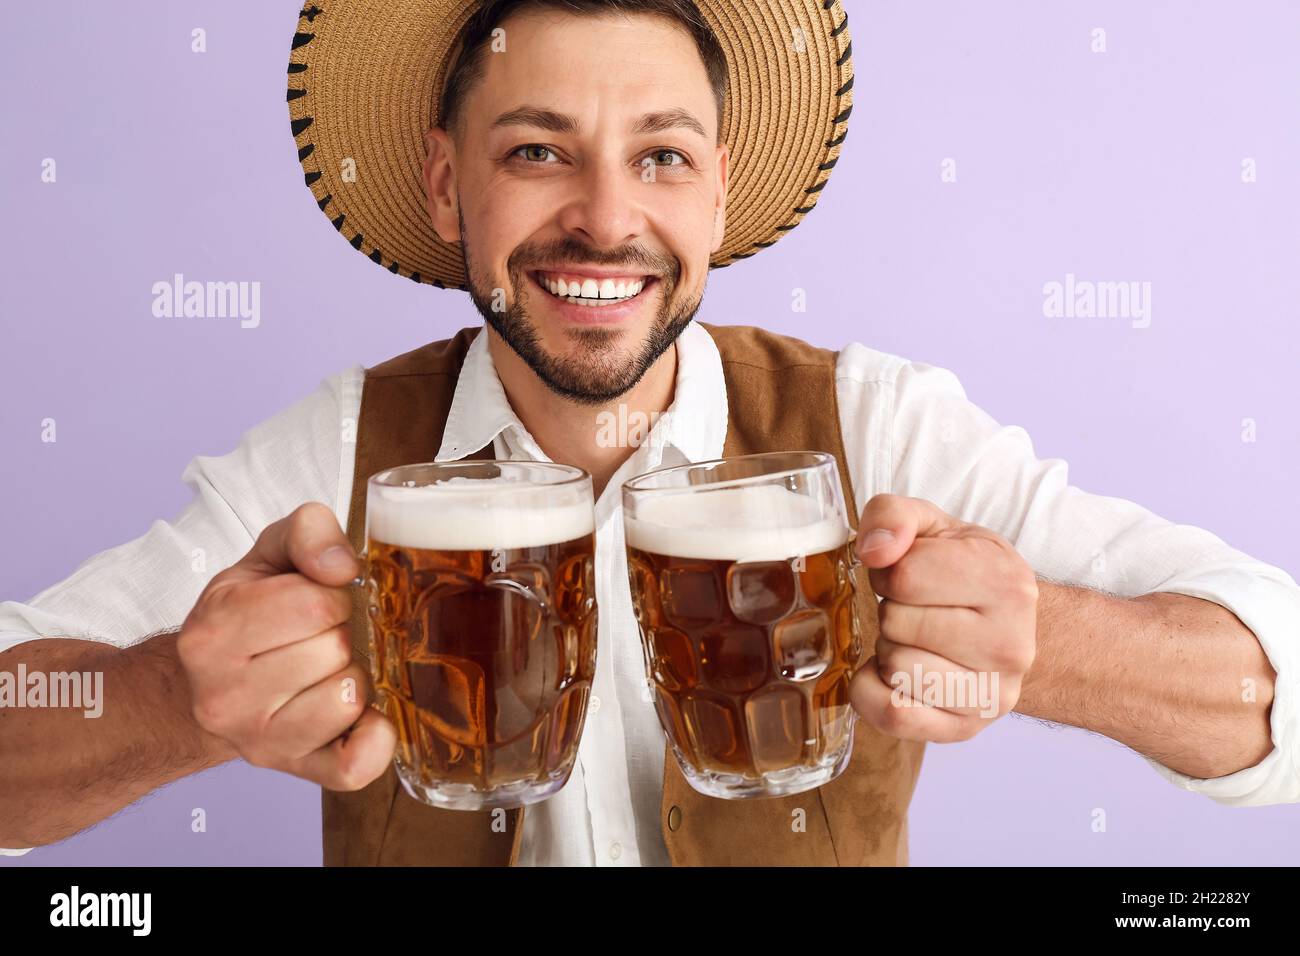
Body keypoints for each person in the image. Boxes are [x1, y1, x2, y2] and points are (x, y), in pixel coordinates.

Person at [2, 0, 1296, 866]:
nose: (606, 219)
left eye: (663, 157)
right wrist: (169, 698)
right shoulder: (337, 462)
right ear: (450, 188)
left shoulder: (879, 433)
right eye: (537, 150)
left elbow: (1278, 688)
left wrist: (1046, 645)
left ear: (720, 190)